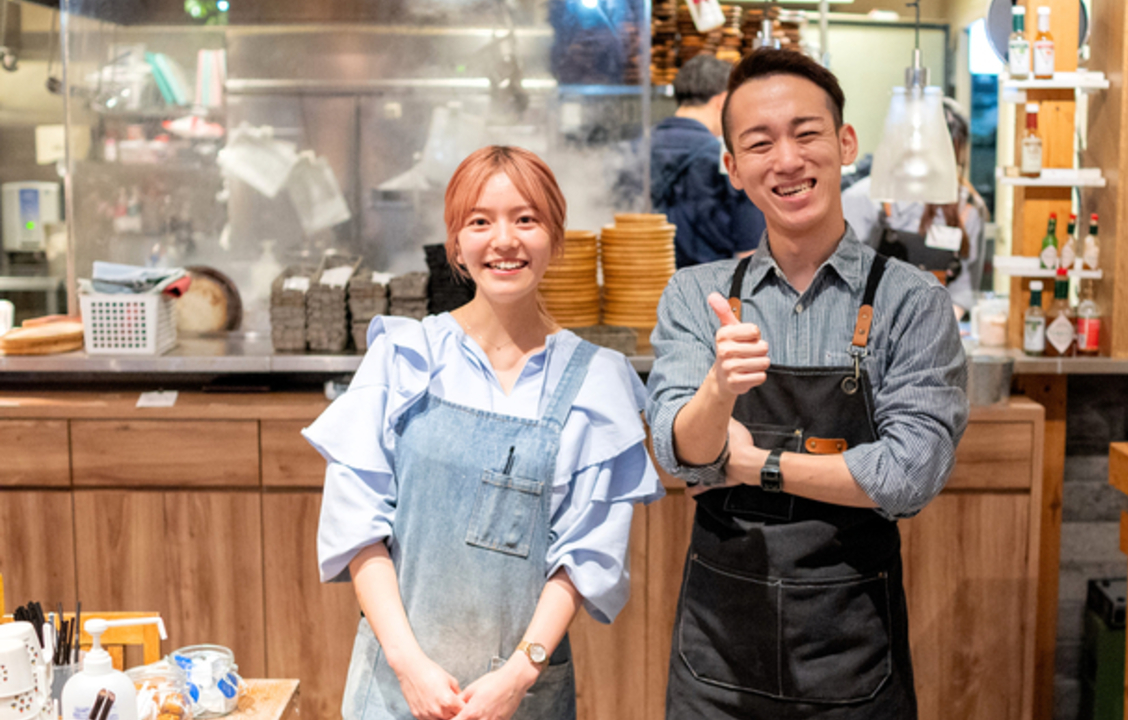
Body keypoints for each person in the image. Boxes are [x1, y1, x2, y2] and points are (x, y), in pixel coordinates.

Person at [646, 50, 968, 719]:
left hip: (852, 659)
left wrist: (752, 465)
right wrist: (719, 389)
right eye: (760, 143)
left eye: (806, 133)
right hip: (716, 661)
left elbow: (910, 474)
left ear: (846, 143)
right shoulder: (695, 295)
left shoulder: (912, 302)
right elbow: (681, 453)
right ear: (732, 168)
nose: (787, 160)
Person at [305, 146, 664, 720]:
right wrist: (410, 667)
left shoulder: (597, 381)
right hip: (396, 690)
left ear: (556, 238)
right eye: (480, 222)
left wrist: (519, 675)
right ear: (455, 244)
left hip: (522, 696)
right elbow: (359, 525)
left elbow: (584, 554)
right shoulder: (405, 356)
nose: (504, 240)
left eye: (526, 219)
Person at [841, 97, 989, 316]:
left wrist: (943, 325)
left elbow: (963, 291)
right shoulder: (866, 198)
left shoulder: (968, 209)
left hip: (935, 323)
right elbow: (843, 280)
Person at [651, 55, 766, 268]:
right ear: (723, 101)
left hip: (641, 284)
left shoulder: (634, 152)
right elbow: (751, 256)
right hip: (711, 287)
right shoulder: (732, 163)